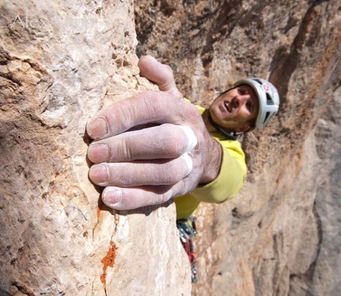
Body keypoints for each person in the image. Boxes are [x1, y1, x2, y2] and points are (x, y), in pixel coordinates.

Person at [86, 55, 279, 281]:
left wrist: (205, 158)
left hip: (175, 220)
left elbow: (230, 183)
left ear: (246, 127)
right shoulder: (186, 108)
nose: (239, 99)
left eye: (249, 105)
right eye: (241, 91)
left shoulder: (231, 153)